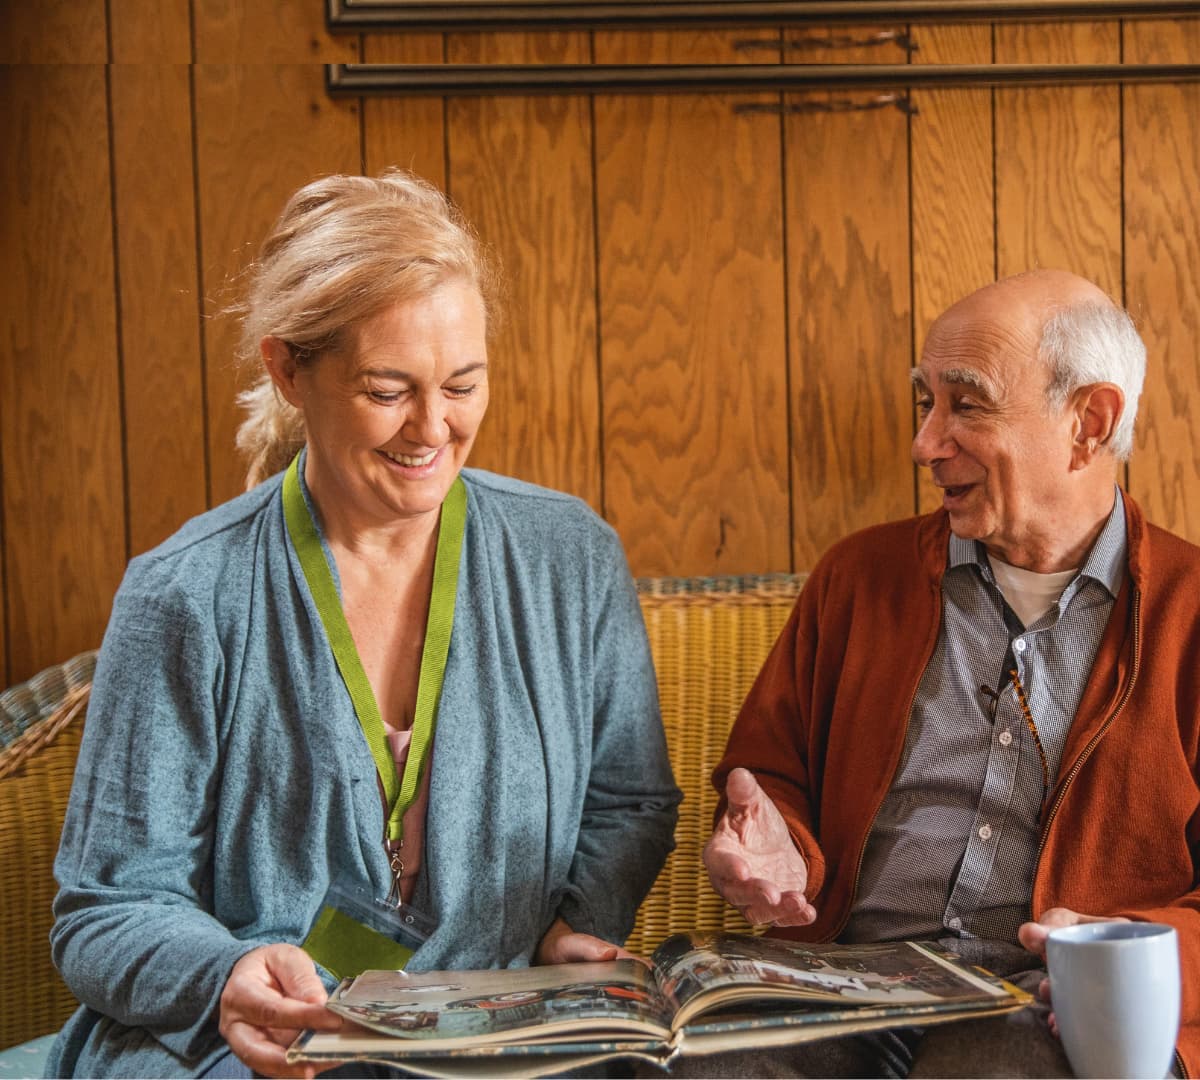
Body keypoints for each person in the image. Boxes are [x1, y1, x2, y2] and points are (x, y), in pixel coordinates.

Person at [46, 170, 680, 1079]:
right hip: (257, 1049)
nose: (433, 429)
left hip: (500, 1032)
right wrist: (228, 977)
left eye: (463, 385)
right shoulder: (183, 593)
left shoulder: (569, 558)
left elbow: (631, 799)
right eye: (388, 391)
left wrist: (575, 924)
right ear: (288, 370)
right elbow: (106, 907)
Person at [701, 269, 1200, 1077]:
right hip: (841, 983)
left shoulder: (1191, 616)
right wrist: (779, 849)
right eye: (925, 403)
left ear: (1089, 423)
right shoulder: (859, 578)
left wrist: (1119, 948)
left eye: (965, 405)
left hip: (1056, 1006)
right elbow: (770, 773)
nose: (925, 443)